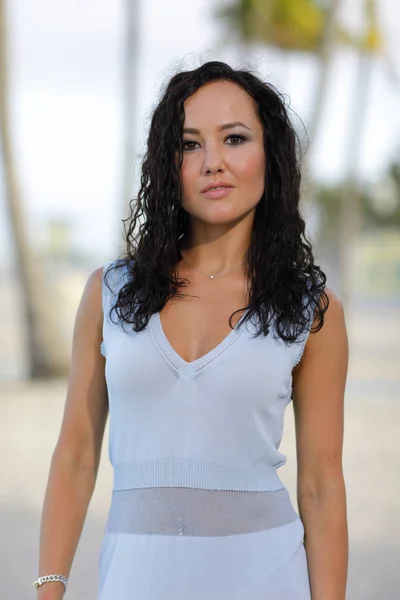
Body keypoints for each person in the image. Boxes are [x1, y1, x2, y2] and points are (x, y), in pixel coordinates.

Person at [35, 60, 349, 600]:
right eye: (188, 144)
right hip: (133, 583)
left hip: (268, 579)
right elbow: (76, 453)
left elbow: (321, 484)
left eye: (234, 138)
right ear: (167, 162)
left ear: (268, 156)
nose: (213, 164)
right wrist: (49, 587)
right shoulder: (110, 292)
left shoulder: (308, 310)